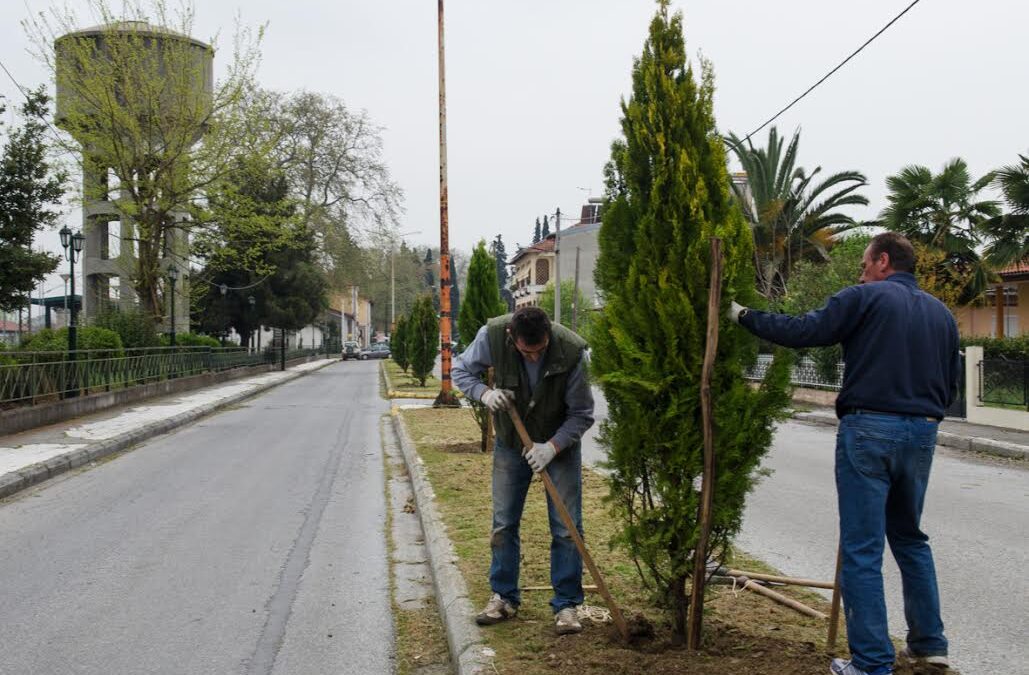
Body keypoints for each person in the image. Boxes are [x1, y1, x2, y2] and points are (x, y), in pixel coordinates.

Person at [729, 232, 958, 675]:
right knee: (910, 537)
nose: (860, 273)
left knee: (861, 548)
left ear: (884, 262)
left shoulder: (864, 298)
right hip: (923, 431)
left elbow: (804, 331)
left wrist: (744, 316)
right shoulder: (942, 314)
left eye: (864, 264)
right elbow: (950, 386)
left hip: (869, 427)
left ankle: (871, 663)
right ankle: (930, 644)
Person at [452, 306, 595, 635]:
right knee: (504, 523)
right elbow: (461, 371)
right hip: (510, 442)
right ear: (511, 339)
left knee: (566, 527)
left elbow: (582, 413)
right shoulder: (492, 336)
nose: (533, 358)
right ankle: (504, 597)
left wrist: (553, 447)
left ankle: (568, 604)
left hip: (558, 446)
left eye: (540, 351)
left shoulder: (571, 351)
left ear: (548, 337)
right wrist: (484, 393)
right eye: (526, 352)